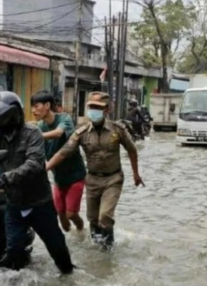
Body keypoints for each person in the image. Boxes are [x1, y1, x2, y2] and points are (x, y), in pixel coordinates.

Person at [0, 91, 74, 274]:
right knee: (13, 252)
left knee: (58, 250)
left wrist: (4, 178)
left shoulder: (32, 133)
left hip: (39, 204)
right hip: (14, 204)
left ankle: (69, 279)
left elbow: (34, 164)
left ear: (11, 117)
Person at [46, 92, 144, 249]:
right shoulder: (81, 133)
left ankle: (108, 249)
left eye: (98, 107)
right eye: (91, 107)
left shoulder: (117, 130)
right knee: (92, 218)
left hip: (113, 179)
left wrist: (136, 174)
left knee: (104, 216)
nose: (93, 110)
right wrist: (46, 167)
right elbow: (64, 152)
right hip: (92, 180)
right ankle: (97, 250)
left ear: (107, 110)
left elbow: (132, 150)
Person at [31, 91, 87, 232]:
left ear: (47, 105)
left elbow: (58, 133)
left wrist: (36, 136)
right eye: (32, 107)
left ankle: (82, 232)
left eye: (36, 106)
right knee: (61, 216)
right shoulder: (39, 126)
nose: (33, 110)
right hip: (58, 178)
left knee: (71, 214)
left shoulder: (64, 119)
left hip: (75, 176)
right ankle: (70, 242)